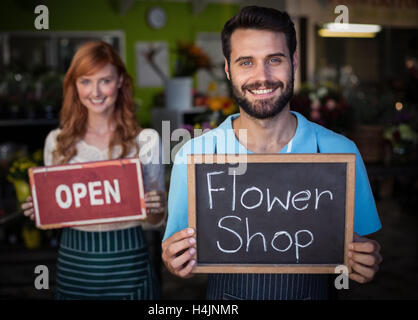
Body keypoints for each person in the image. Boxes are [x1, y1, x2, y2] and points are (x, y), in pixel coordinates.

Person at [162, 6, 383, 300]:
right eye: (246, 62)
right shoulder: (194, 155)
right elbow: (175, 250)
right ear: (228, 69)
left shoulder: (340, 152)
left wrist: (366, 261)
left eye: (274, 60)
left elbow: (362, 248)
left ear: (293, 62)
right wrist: (173, 260)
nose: (261, 76)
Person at [22, 41, 165, 300]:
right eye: (85, 81)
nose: (95, 91)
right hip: (75, 264)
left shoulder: (147, 140)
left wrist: (157, 209)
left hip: (130, 264)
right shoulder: (57, 142)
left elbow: (155, 222)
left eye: (105, 80)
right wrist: (41, 210)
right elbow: (53, 220)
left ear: (120, 81)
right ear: (74, 86)